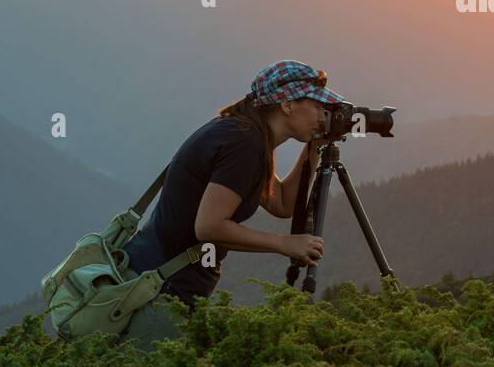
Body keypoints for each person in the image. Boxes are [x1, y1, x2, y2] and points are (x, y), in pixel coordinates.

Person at [121, 59, 343, 348]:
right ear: (287, 104)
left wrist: (314, 147)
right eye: (317, 105)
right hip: (161, 288)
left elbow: (282, 203)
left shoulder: (247, 134)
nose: (323, 114)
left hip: (158, 277)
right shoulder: (244, 144)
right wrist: (284, 244)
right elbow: (209, 226)